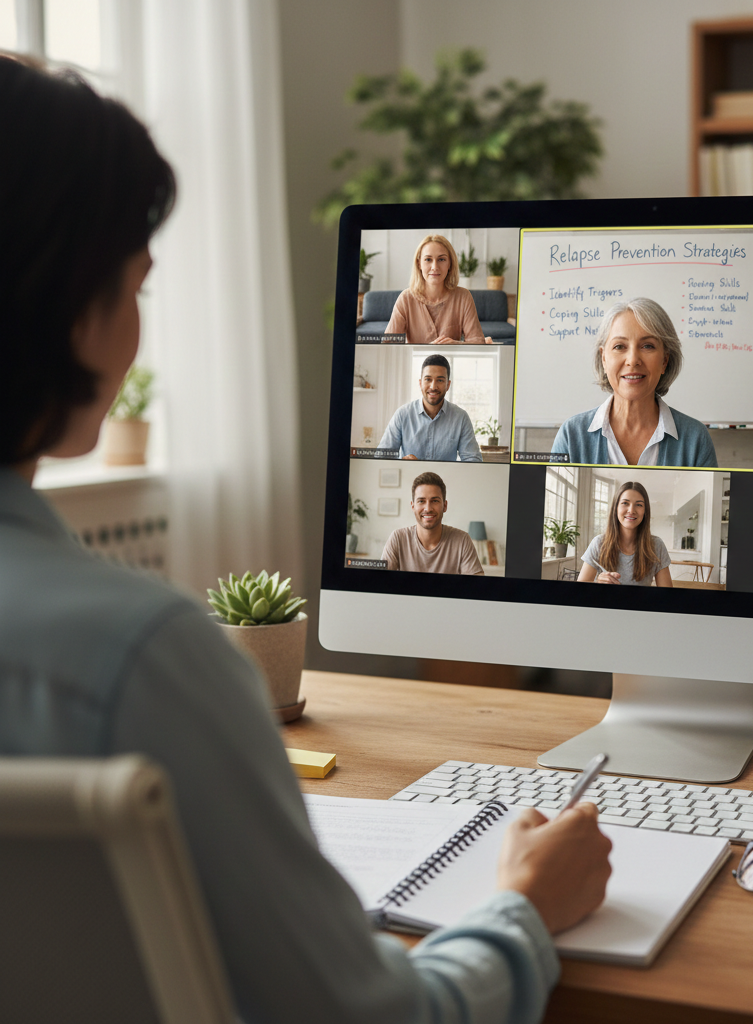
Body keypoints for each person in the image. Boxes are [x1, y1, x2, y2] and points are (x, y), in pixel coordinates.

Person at [0, 58, 612, 1024]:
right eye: (134, 291)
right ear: (65, 308)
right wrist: (524, 906)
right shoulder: (144, 663)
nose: (136, 340)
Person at [550, 298, 718, 468]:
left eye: (647, 346)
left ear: (665, 360)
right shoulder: (571, 436)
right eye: (619, 346)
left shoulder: (696, 439)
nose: (632, 360)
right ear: (604, 359)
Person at [385, 233, 493, 344]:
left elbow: (477, 343)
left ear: (449, 264)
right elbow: (388, 345)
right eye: (428, 259)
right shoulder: (405, 298)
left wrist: (456, 344)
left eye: (441, 259)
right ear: (419, 264)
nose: (435, 267)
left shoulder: (463, 297)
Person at [377, 354, 482, 461]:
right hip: (410, 477)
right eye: (428, 379)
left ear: (448, 385)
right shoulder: (402, 415)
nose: (433, 387)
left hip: (447, 478)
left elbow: (473, 460)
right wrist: (402, 462)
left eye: (440, 380)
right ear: (420, 383)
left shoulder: (461, 418)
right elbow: (381, 457)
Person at [382, 471, 486, 574]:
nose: (428, 509)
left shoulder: (462, 540)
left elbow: (477, 588)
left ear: (445, 506)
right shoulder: (398, 538)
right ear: (413, 506)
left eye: (435, 501)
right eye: (421, 501)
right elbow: (380, 582)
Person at [578, 481, 673, 587]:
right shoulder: (598, 543)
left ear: (645, 511)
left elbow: (667, 596)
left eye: (639, 505)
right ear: (616, 508)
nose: (631, 510)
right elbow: (579, 591)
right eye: (625, 503)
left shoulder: (657, 545)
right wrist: (598, 584)